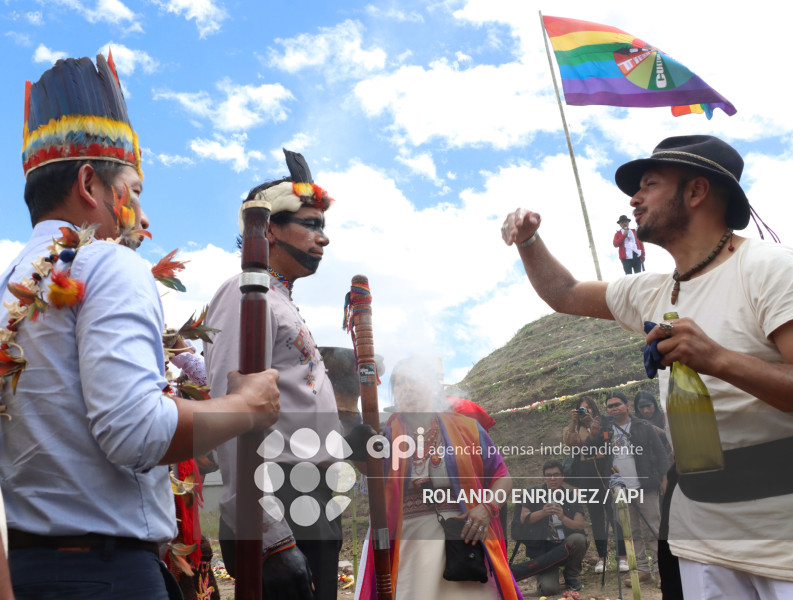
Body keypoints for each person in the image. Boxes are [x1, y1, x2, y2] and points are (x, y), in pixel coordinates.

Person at [0, 55, 280, 599]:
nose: (145, 218)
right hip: (105, 578)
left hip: (28, 573)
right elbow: (135, 432)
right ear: (89, 182)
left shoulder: (12, 283)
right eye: (136, 190)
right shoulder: (109, 262)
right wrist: (248, 406)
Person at [501, 134, 793, 597]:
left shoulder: (772, 269)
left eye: (649, 184)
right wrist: (530, 239)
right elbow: (566, 294)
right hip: (701, 533)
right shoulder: (651, 292)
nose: (633, 199)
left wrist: (716, 359)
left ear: (696, 192)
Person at [204, 153, 341, 600]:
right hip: (274, 501)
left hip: (310, 497)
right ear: (269, 230)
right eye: (311, 224)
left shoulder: (281, 300)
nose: (323, 238)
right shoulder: (245, 294)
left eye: (323, 226)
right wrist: (266, 532)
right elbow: (229, 413)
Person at [355, 355, 522, 600]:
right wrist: (357, 451)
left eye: (413, 380)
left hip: (463, 539)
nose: (407, 388)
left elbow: (502, 477)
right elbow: (372, 483)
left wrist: (487, 507)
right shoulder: (385, 437)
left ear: (433, 386)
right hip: (408, 545)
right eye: (399, 383)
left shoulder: (468, 429)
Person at [599, 392, 668, 588]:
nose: (614, 408)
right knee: (631, 532)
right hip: (620, 489)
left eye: (617, 404)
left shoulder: (643, 426)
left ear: (627, 405)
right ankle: (642, 570)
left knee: (653, 529)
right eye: (610, 406)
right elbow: (598, 455)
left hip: (645, 485)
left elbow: (661, 452)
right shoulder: (606, 430)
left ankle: (661, 569)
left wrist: (664, 478)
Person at [562, 396, 627, 574]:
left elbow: (606, 447)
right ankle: (602, 557)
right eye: (581, 409)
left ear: (594, 409)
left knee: (614, 514)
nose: (585, 412)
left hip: (604, 473)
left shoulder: (602, 423)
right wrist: (574, 423)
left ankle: (622, 556)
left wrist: (592, 426)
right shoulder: (574, 428)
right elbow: (571, 444)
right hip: (586, 475)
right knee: (596, 517)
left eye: (588, 408)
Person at [512, 460, 587, 595]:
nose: (553, 478)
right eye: (549, 475)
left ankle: (571, 576)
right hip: (544, 551)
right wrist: (543, 512)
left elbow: (580, 525)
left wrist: (563, 518)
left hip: (564, 546)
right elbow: (524, 519)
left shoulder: (571, 496)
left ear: (562, 476)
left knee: (580, 539)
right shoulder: (532, 493)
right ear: (544, 477)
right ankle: (546, 575)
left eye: (556, 474)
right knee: (549, 589)